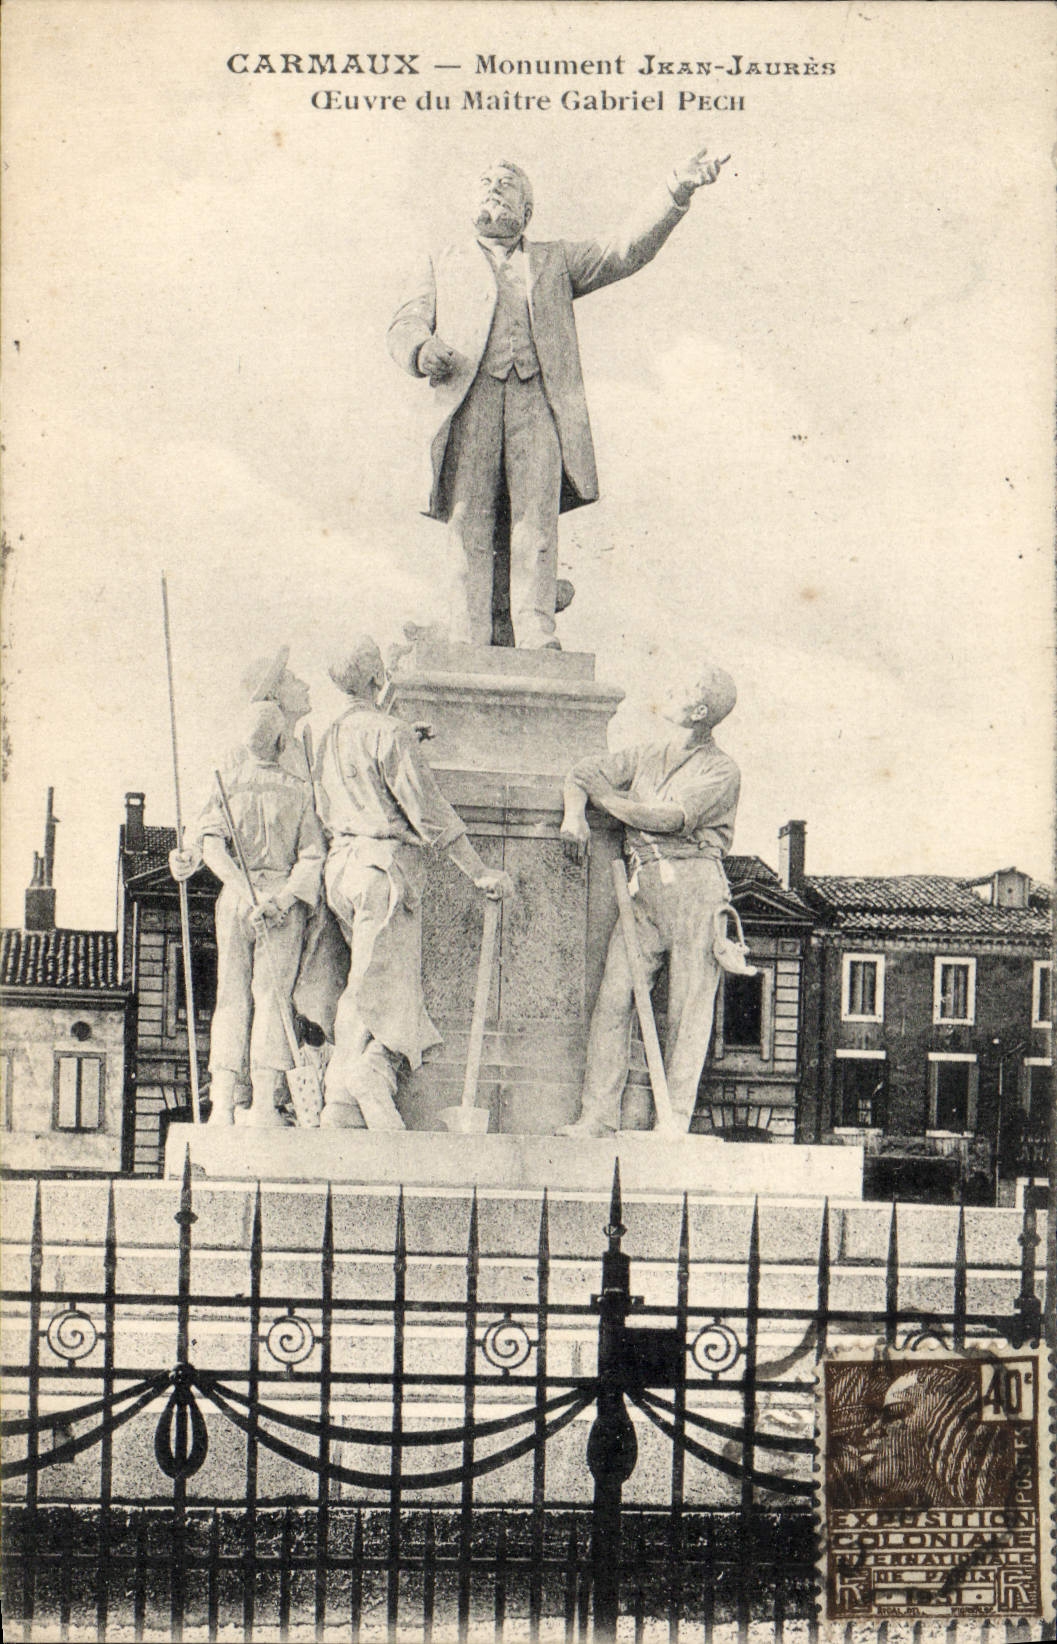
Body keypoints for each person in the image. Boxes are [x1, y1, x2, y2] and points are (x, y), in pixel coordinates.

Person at [387, 151, 729, 649]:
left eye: (507, 184)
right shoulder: (443, 260)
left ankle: (535, 630)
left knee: (536, 519)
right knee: (469, 515)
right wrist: (421, 349)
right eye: (486, 181)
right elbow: (405, 322)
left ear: (527, 211)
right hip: (470, 401)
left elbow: (622, 250)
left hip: (537, 404)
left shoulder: (555, 260)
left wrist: (675, 190)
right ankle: (466, 631)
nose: (494, 188)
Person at [313, 636, 514, 1128]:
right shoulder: (389, 734)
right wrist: (480, 870)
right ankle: (371, 1078)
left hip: (341, 868)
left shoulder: (326, 734)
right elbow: (429, 812)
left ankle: (340, 1101)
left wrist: (404, 736)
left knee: (362, 983)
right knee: (388, 988)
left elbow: (337, 793)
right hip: (384, 871)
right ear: (376, 677)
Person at [557, 665, 740, 1135]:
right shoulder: (647, 754)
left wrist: (607, 801)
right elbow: (582, 773)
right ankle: (597, 1114)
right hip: (642, 886)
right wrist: (575, 816)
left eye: (680, 688)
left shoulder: (721, 769)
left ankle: (673, 1118)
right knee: (615, 998)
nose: (670, 689)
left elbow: (668, 818)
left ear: (699, 712)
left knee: (688, 1010)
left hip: (695, 888)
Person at [174, 700, 326, 1127]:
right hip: (279, 905)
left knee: (231, 999)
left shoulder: (228, 785)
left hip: (238, 901)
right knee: (271, 999)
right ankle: (261, 1105)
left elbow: (209, 848)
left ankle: (221, 1104)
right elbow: (312, 855)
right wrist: (277, 900)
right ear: (281, 741)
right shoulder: (298, 790)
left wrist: (244, 890)